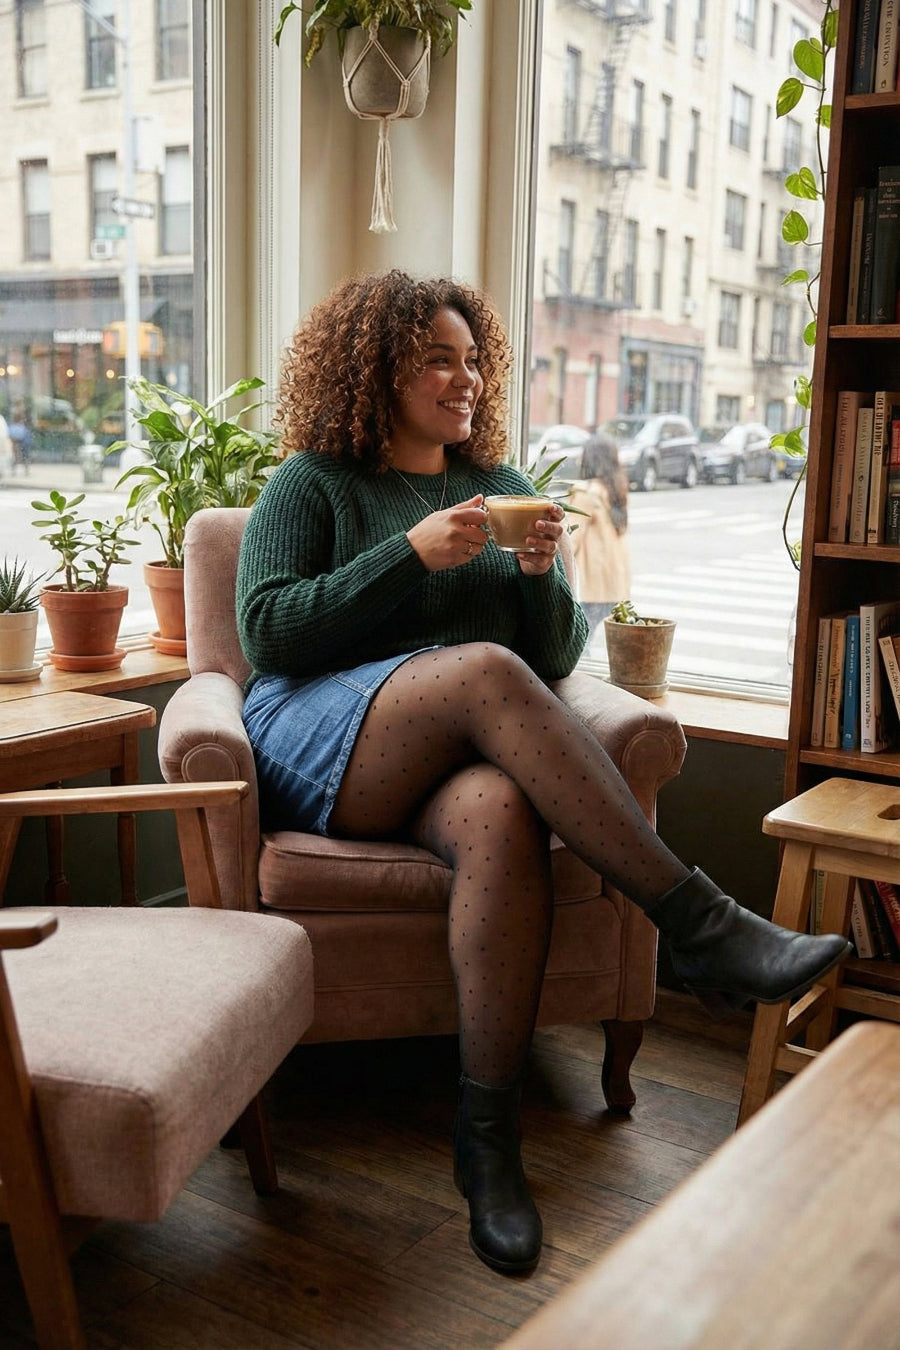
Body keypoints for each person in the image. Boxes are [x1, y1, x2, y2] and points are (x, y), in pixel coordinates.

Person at [236, 269, 850, 1277]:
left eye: (473, 359)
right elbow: (265, 631)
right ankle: (695, 925)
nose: (465, 378)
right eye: (438, 357)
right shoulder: (316, 483)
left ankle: (488, 1145)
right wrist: (410, 556)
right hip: (316, 738)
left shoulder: (508, 491)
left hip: (443, 766)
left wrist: (539, 578)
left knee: (501, 811)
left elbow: (556, 656)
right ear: (375, 368)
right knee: (483, 672)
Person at [567, 430, 631, 643]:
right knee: (588, 641)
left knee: (579, 644)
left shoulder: (586, 493)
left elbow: (569, 539)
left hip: (591, 586)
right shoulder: (615, 490)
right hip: (614, 584)